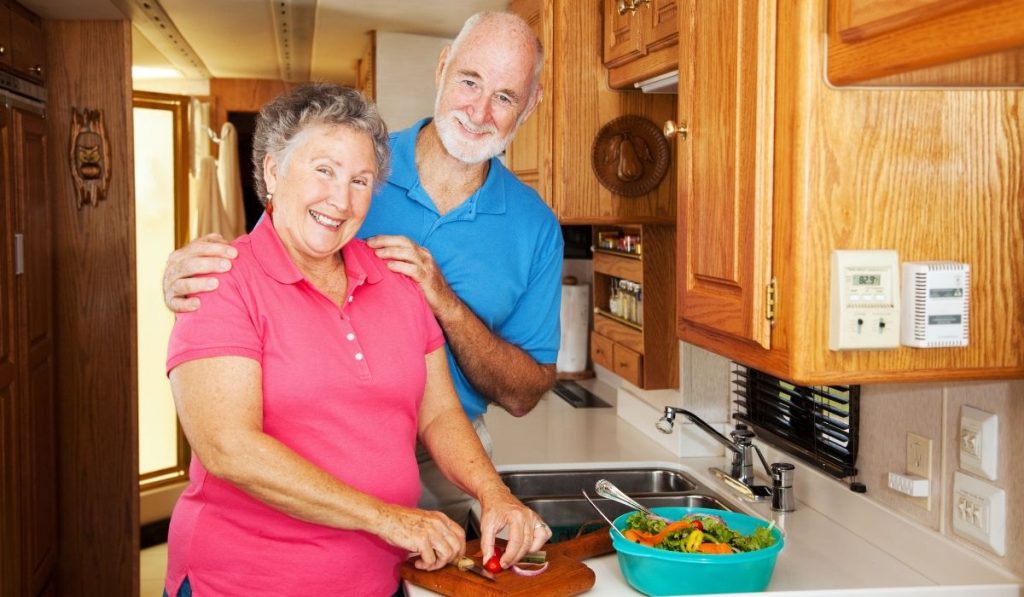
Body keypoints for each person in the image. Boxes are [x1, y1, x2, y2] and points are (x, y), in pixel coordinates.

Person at [162, 11, 563, 529]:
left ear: (530, 106)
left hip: (450, 452)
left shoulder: (535, 227)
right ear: (443, 68)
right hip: (315, 440)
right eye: (470, 81)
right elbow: (263, 255)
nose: (480, 110)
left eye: (505, 97)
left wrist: (443, 300)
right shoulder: (356, 157)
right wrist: (183, 273)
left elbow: (518, 394)